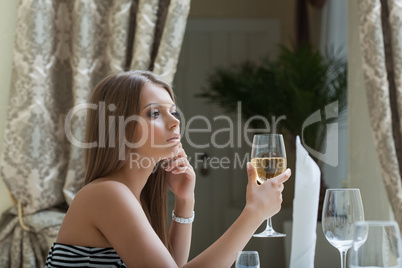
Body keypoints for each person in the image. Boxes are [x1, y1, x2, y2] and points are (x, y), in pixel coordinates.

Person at [45, 70, 291, 268]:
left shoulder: (131, 196)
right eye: (154, 113)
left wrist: (185, 200)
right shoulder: (108, 194)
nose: (175, 122)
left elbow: (172, 264)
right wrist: (254, 213)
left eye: (173, 111)